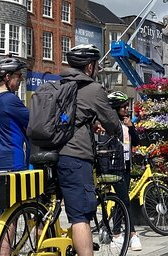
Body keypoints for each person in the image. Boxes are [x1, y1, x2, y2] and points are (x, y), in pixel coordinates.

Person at [59, 44, 121, 256]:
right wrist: (117, 131)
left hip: (52, 153)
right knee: (80, 217)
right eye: (96, 65)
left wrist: (89, 122)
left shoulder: (60, 85)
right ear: (89, 67)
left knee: (51, 209)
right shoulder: (93, 89)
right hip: (76, 156)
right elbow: (112, 123)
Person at [107, 91, 143, 251]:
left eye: (126, 106)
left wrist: (131, 127)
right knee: (125, 200)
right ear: (115, 108)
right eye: (122, 107)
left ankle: (116, 233)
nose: (126, 109)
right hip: (115, 166)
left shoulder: (127, 122)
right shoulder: (111, 124)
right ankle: (132, 234)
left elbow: (135, 141)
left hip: (126, 165)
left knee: (120, 201)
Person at [0, 57, 30, 172]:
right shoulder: (9, 99)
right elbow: (34, 120)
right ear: (8, 77)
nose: (21, 79)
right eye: (18, 75)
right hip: (14, 160)